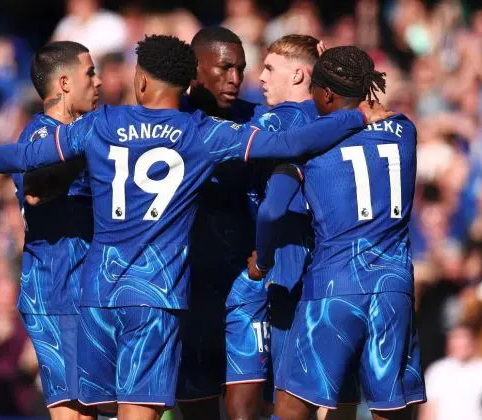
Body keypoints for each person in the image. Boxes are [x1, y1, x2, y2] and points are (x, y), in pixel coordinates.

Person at [0, 35, 389, 420]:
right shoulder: (202, 133)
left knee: (87, 412)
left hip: (98, 292)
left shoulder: (102, 123)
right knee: (140, 410)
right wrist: (353, 115)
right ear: (186, 82)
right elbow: (288, 142)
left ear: (142, 80)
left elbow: (26, 156)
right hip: (157, 294)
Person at [249, 46, 426, 420]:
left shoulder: (312, 144)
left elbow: (272, 210)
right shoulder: (406, 130)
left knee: (291, 405)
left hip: (333, 285)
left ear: (326, 94)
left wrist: (262, 262)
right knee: (390, 407)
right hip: (394, 288)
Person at [177, 27, 268, 420]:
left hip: (245, 287)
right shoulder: (170, 124)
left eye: (241, 69)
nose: (235, 78)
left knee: (244, 411)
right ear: (196, 69)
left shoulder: (258, 120)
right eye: (225, 67)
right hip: (188, 290)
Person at [8, 40, 101, 420]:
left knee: (91, 408)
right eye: (90, 73)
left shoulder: (86, 133)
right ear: (64, 83)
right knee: (72, 413)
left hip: (87, 286)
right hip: (55, 288)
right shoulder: (40, 139)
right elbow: (34, 190)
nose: (98, 82)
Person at [252, 34, 322, 406]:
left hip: (288, 262)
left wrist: (261, 261)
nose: (260, 76)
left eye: (269, 68)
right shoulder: (335, 118)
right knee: (328, 395)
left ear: (298, 75)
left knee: (285, 396)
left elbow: (272, 208)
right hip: (330, 265)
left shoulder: (278, 122)